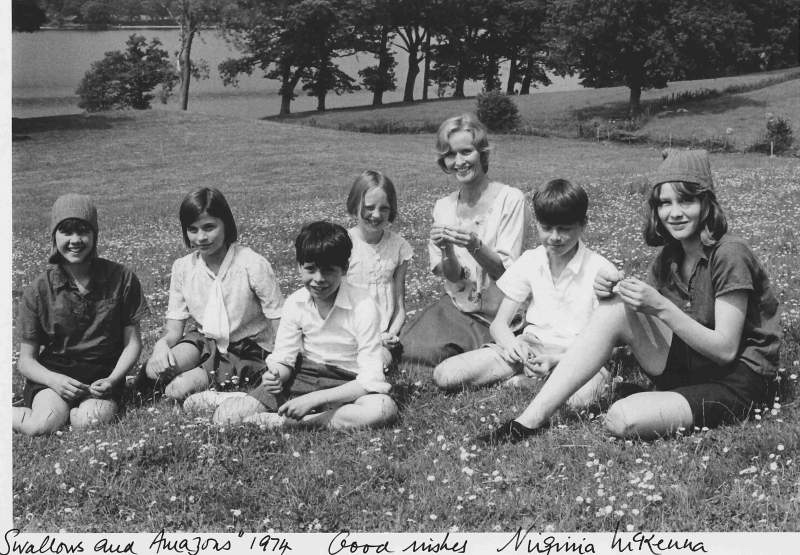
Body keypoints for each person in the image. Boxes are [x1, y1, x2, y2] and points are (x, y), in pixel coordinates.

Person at [479, 149, 782, 444]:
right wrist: (566, 349)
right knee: (615, 307)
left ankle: (653, 400)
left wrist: (660, 306)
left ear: (706, 203)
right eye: (664, 203)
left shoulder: (730, 254)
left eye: (686, 200)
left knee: (622, 418)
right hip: (692, 368)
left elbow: (725, 350)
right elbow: (627, 329)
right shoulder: (669, 257)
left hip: (737, 381)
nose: (674, 212)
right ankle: (526, 421)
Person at [434, 179, 616, 410]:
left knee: (576, 402)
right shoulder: (532, 260)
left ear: (583, 225)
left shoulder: (601, 269)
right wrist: (513, 347)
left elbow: (605, 342)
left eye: (565, 229)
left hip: (579, 355)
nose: (555, 237)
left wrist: (557, 360)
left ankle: (535, 383)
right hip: (531, 347)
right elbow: (499, 324)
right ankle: (534, 379)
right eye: (546, 228)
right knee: (446, 374)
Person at [212, 221, 398, 429]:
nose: (319, 279)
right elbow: (284, 359)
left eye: (328, 271)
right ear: (299, 266)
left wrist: (313, 400)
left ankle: (300, 422)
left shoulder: (363, 305)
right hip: (303, 376)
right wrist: (275, 376)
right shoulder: (295, 302)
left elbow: (370, 379)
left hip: (347, 383)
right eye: (310, 269)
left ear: (344, 269)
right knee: (225, 417)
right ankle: (237, 399)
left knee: (382, 409)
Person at [400, 113, 531, 367]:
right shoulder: (443, 207)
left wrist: (474, 245)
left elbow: (506, 273)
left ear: (482, 153)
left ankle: (483, 349)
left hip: (501, 314)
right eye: (450, 155)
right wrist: (447, 250)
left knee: (455, 361)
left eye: (466, 151)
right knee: (410, 351)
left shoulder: (510, 199)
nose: (458, 161)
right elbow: (453, 277)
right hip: (460, 308)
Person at [14, 194, 148, 435]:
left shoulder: (122, 278)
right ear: (54, 236)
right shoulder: (38, 290)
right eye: (66, 231)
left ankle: (75, 413)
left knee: (89, 421)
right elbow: (26, 361)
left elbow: (133, 343)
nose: (75, 240)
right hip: (54, 375)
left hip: (103, 376)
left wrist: (114, 379)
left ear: (94, 234)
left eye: (83, 231)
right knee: (42, 425)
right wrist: (55, 381)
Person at [142, 188, 283, 410]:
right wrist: (161, 346)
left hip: (245, 348)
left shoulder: (251, 264)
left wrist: (282, 362)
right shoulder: (183, 267)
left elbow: (278, 320)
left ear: (226, 224)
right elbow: (174, 330)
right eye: (193, 229)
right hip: (205, 340)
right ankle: (199, 377)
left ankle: (225, 394)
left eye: (209, 227)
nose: (201, 237)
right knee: (153, 369)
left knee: (176, 389)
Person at [345, 170, 413, 366]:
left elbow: (399, 305)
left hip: (384, 336)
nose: (376, 215)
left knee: (378, 362)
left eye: (384, 208)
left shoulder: (399, 246)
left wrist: (391, 334)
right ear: (354, 205)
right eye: (369, 207)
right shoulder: (344, 243)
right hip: (349, 332)